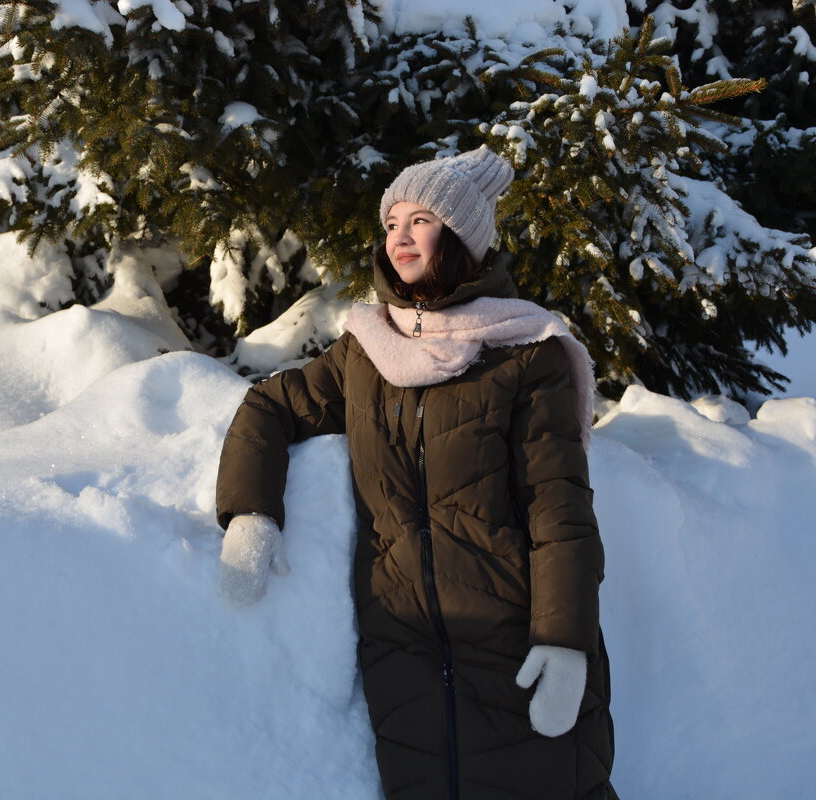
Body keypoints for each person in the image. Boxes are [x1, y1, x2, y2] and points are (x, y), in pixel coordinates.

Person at [214, 146, 616, 800]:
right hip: (404, 654)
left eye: (421, 218)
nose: (400, 235)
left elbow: (559, 510)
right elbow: (270, 406)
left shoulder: (524, 355)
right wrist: (250, 514)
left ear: (459, 235)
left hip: (516, 642)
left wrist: (565, 640)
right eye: (392, 220)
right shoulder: (365, 352)